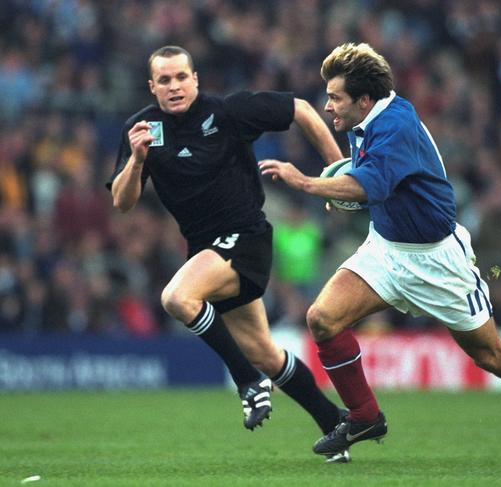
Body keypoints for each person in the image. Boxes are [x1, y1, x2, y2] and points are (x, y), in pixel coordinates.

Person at [258, 43, 501, 468]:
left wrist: (308, 184)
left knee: (491, 355)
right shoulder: (364, 116)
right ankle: (365, 417)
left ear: (364, 100)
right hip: (386, 248)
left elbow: (367, 187)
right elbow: (361, 178)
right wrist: (336, 186)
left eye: (335, 98)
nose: (328, 107)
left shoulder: (396, 124)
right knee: (322, 319)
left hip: (437, 261)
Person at [107, 45, 349, 452]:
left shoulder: (229, 112)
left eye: (181, 77)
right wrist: (135, 161)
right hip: (207, 251)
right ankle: (336, 422)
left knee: (177, 298)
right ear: (152, 87)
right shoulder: (142, 129)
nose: (174, 86)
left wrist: (335, 173)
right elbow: (122, 202)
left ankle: (248, 383)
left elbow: (303, 110)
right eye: (164, 80)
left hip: (246, 237)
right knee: (264, 352)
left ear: (195, 78)